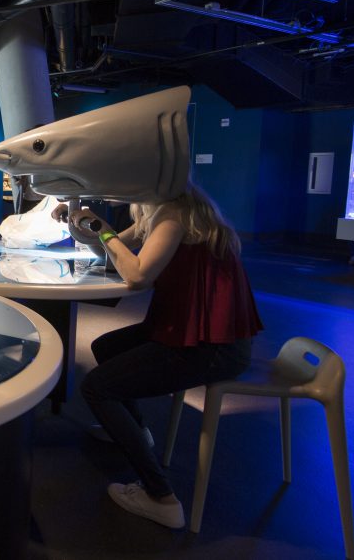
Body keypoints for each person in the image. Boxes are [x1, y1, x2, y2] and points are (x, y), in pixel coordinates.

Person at [56, 182, 262, 529]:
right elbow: (114, 246)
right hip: (198, 334)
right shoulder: (169, 208)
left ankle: (161, 497)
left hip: (210, 347)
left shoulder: (174, 214)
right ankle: (137, 430)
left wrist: (102, 231)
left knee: (97, 388)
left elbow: (136, 275)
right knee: (106, 347)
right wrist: (82, 223)